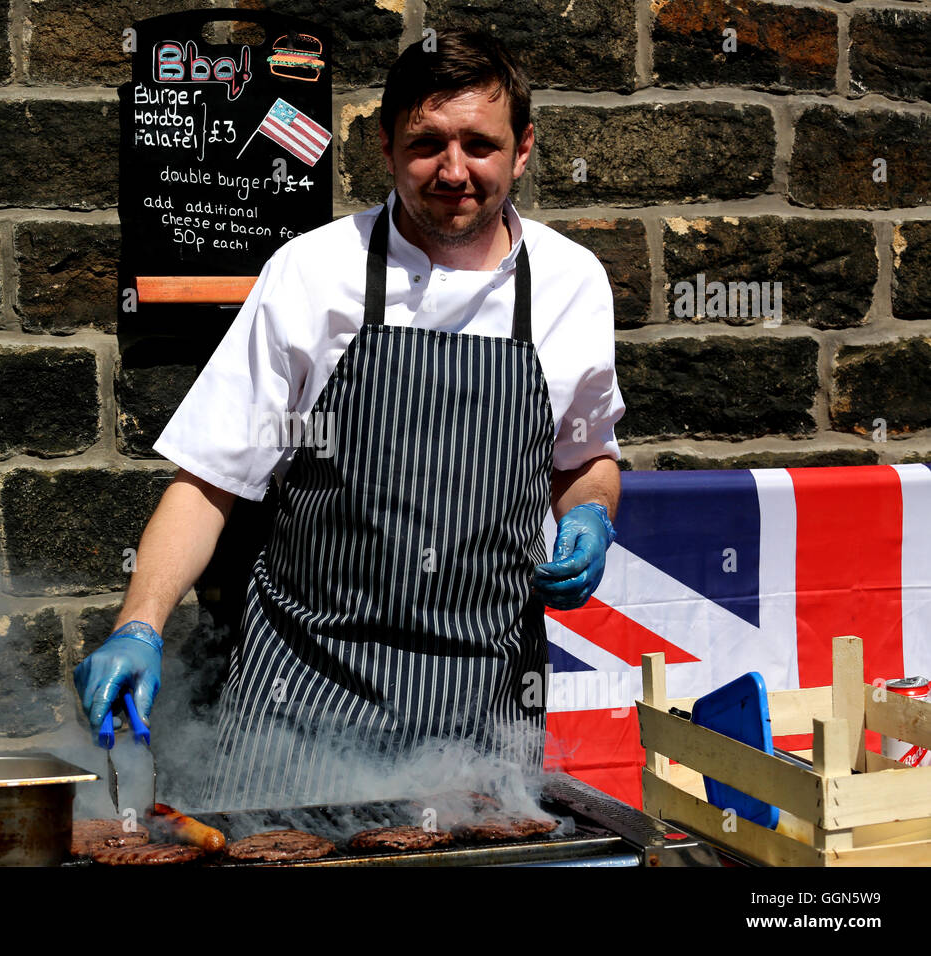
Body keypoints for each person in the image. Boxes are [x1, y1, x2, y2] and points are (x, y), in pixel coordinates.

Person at [74, 28, 624, 807]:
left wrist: (592, 514)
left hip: (482, 712)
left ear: (524, 148)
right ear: (385, 146)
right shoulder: (314, 271)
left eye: (481, 144)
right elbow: (208, 482)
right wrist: (140, 623)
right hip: (302, 706)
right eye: (427, 143)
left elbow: (585, 457)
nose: (455, 171)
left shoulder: (573, 284)